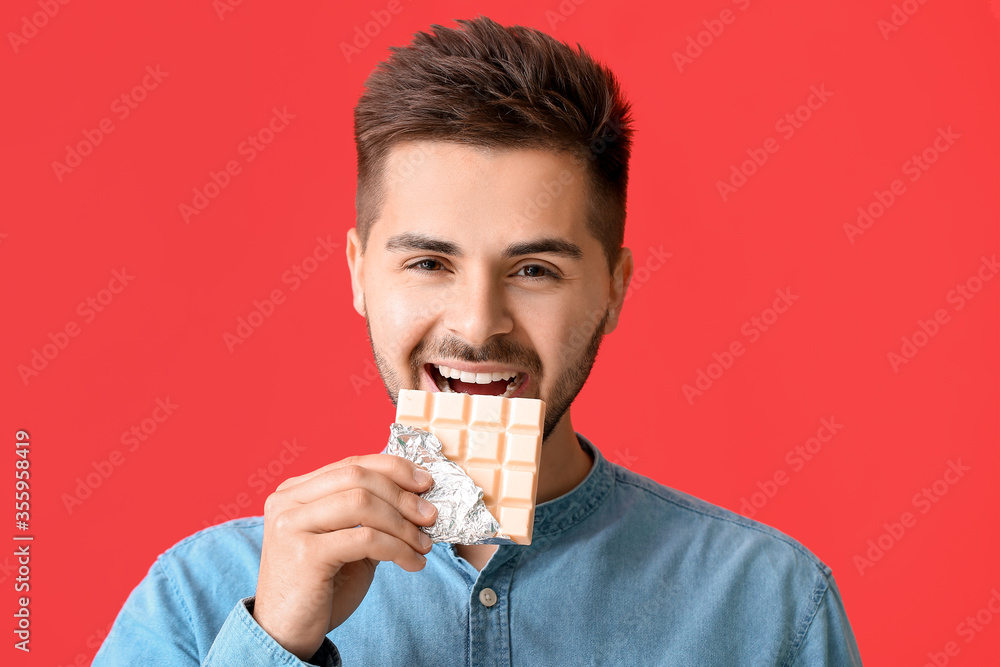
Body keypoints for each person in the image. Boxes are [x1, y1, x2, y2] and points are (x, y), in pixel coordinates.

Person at [94, 15, 862, 666]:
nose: (475, 323)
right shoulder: (199, 596)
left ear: (615, 289)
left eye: (533, 269)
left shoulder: (772, 606)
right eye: (429, 262)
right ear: (361, 274)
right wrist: (274, 641)